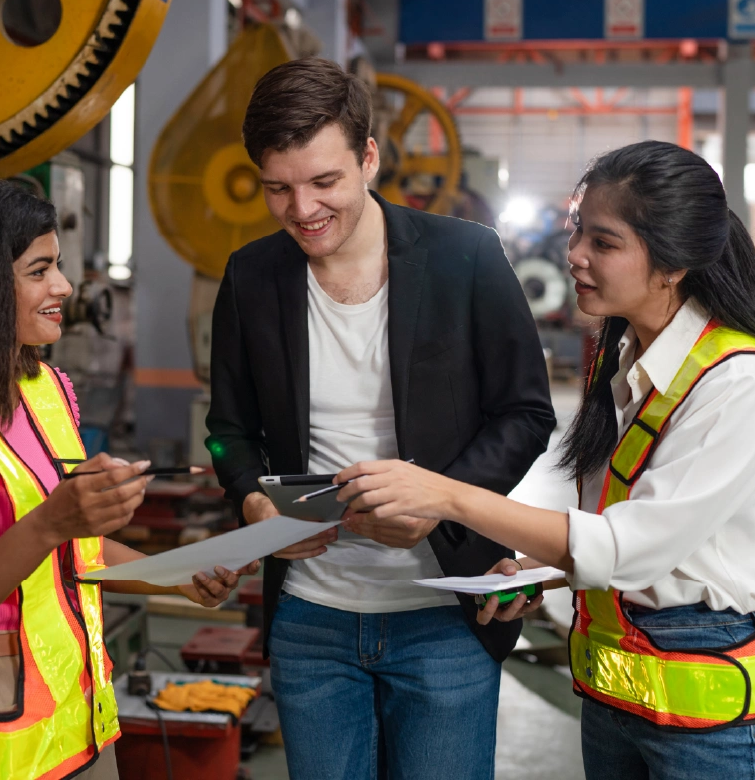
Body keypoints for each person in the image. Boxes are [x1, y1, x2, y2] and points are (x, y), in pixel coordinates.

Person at [335, 140, 755, 780]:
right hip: (619, 704)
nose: (575, 256)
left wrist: (443, 495)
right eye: (576, 232)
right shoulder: (632, 367)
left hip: (719, 727)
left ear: (672, 264)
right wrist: (540, 570)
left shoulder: (741, 386)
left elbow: (629, 547)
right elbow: (642, 529)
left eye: (604, 243)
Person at [205, 57, 555, 779]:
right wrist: (252, 499)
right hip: (310, 621)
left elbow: (525, 412)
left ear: (368, 158)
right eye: (279, 189)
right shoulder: (251, 278)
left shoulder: (467, 259)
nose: (303, 209)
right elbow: (227, 430)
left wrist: (441, 502)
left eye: (324, 182)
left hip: (443, 616)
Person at [0, 179, 258, 780]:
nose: (64, 287)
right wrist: (50, 523)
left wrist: (176, 574)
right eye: (39, 270)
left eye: (59, 267)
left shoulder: (45, 392)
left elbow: (74, 553)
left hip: (84, 732)